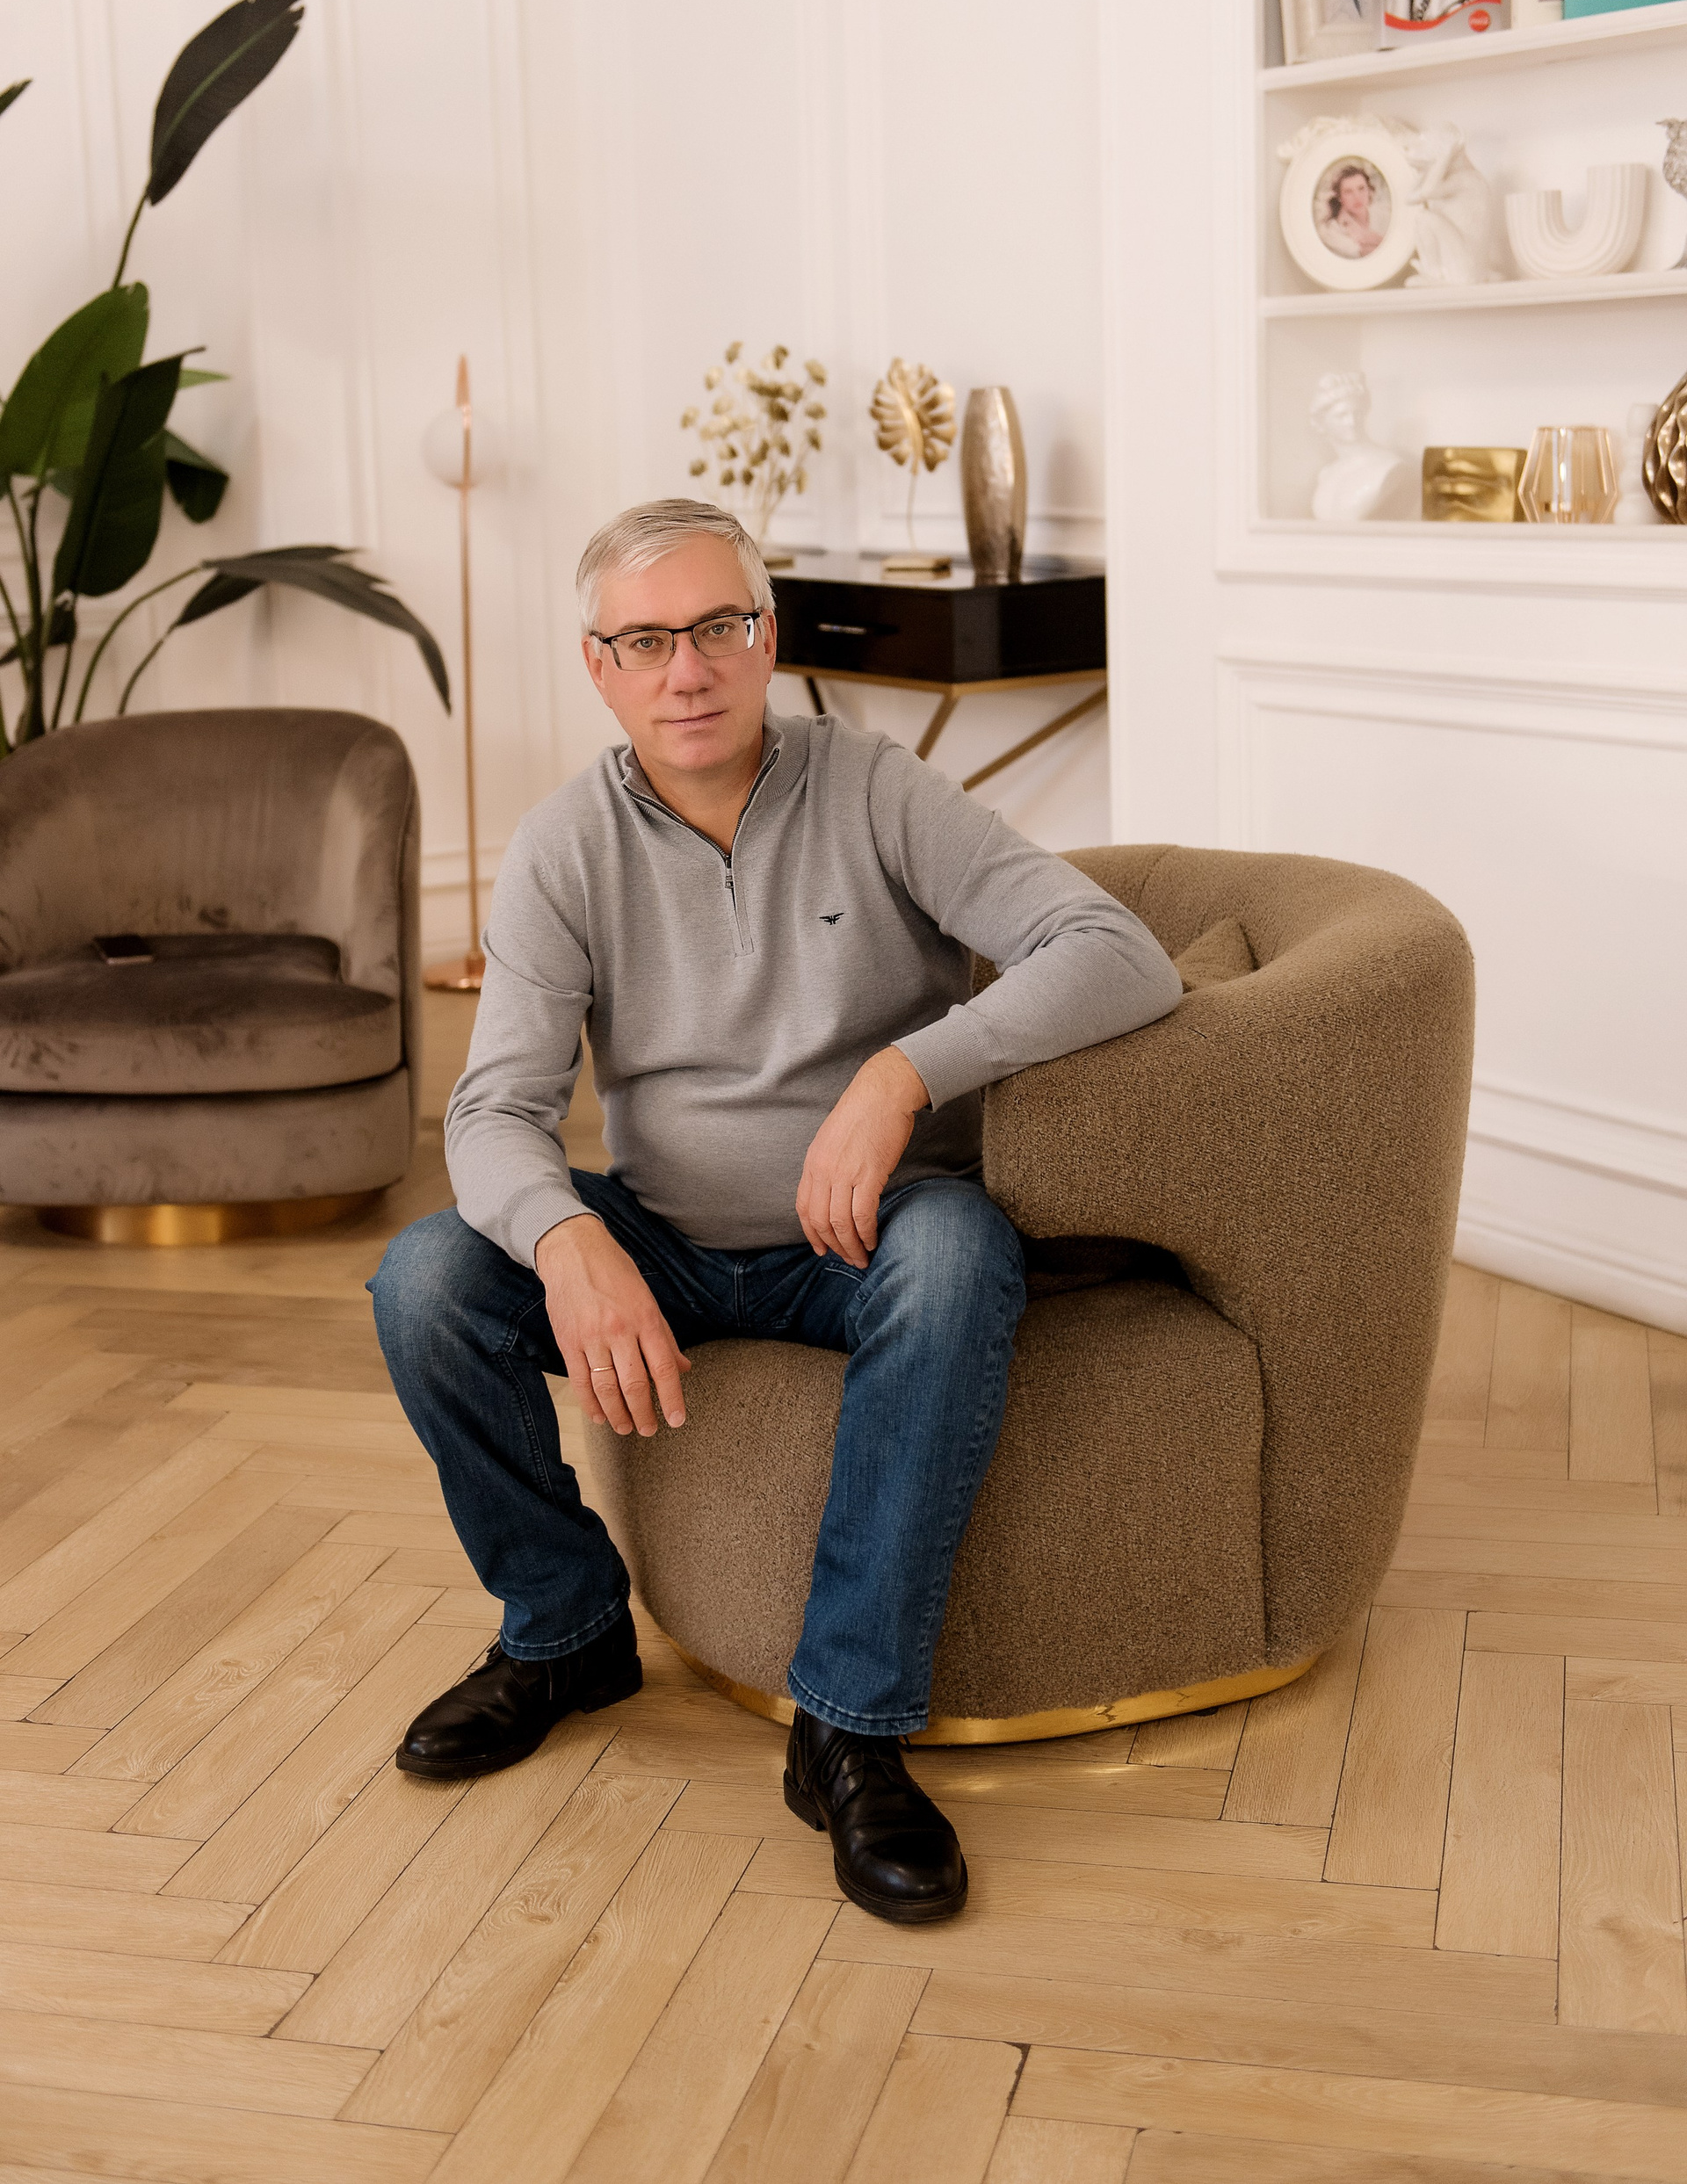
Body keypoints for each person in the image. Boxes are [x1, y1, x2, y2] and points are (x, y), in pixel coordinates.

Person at [371, 496, 1183, 1926]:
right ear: (599, 667)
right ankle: (565, 1632)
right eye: (645, 641)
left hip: (863, 1245)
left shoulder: (878, 790)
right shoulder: (564, 846)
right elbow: (491, 1110)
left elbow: (1117, 953)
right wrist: (570, 1239)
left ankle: (850, 1730)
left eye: (716, 627)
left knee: (960, 1251)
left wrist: (904, 1073)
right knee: (426, 1283)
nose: (686, 669)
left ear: (767, 636)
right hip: (663, 1240)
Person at [1316, 163, 1386, 260]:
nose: (1357, 197)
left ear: (1369, 189)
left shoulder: (1383, 214)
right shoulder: (1332, 229)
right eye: (1348, 192)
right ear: (1340, 197)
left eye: (1361, 188)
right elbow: (1368, 254)